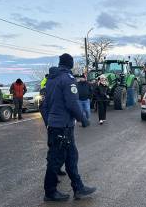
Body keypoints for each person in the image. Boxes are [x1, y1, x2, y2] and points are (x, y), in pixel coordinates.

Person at [41, 53, 96, 201]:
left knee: (72, 156)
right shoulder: (68, 79)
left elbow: (44, 105)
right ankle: (50, 192)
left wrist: (49, 122)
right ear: (70, 64)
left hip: (56, 125)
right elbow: (72, 104)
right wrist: (83, 119)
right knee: (56, 159)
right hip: (63, 127)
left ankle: (79, 188)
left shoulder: (50, 80)